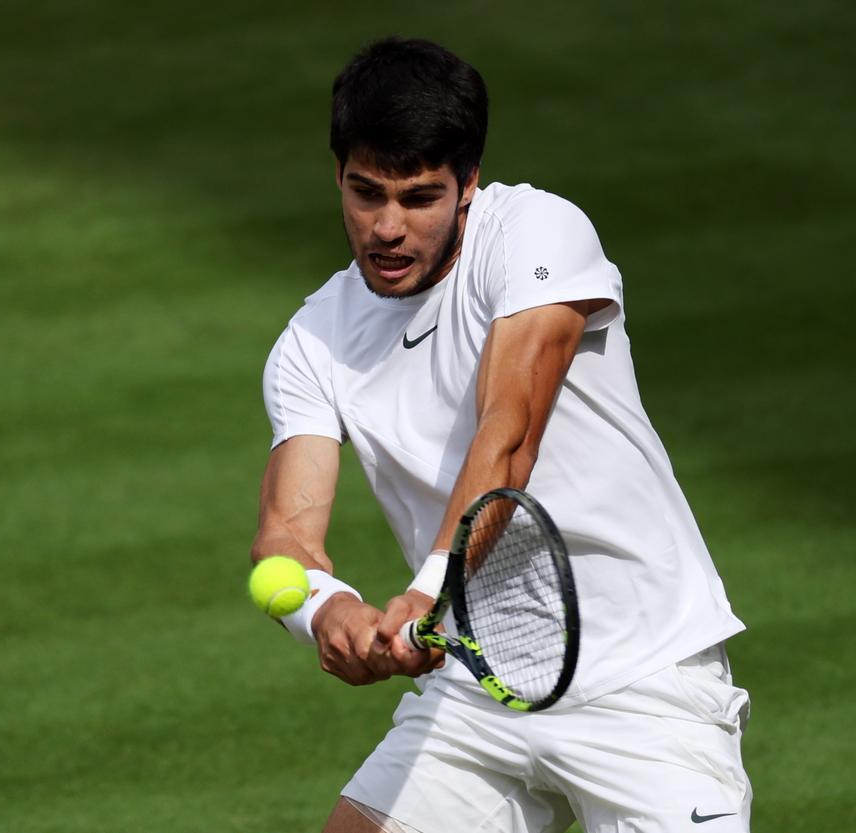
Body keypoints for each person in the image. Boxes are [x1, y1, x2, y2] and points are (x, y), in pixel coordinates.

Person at [251, 37, 752, 833]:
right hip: (475, 693)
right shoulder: (312, 342)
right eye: (364, 191)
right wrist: (325, 610)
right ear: (339, 176)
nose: (386, 227)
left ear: (469, 184)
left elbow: (509, 434)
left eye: (419, 197)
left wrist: (428, 593)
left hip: (645, 681)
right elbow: (285, 534)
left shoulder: (536, 235)